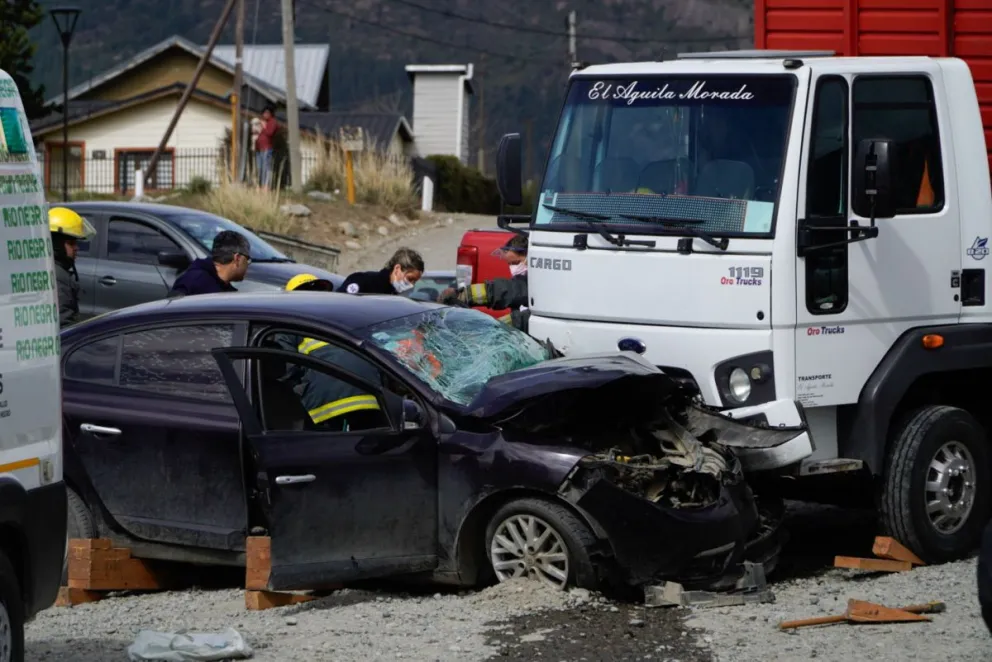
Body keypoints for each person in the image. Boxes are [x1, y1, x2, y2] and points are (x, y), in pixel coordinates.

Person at [280, 273, 385, 430]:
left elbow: (284, 369)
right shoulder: (343, 316)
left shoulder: (289, 323)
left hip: (324, 408)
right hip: (369, 398)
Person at [440, 233, 531, 332]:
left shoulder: (534, 285)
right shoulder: (520, 280)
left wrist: (497, 328)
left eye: (516, 263)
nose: (513, 268)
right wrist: (463, 294)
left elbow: (510, 291)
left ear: (530, 257)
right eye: (510, 264)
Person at [49, 206, 96, 328]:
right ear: (56, 244)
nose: (76, 248)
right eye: (71, 243)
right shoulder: (58, 278)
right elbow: (64, 325)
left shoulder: (54, 270)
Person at [168, 230, 251, 297]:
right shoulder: (192, 282)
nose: (248, 264)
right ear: (237, 258)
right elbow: (171, 313)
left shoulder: (226, 289)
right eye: (247, 259)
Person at [341, 247, 425, 295]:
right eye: (410, 279)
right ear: (397, 269)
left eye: (415, 282)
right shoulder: (362, 281)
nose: (412, 285)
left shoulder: (395, 295)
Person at [255, 105, 279, 189]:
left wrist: (264, 126)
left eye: (267, 113)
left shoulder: (273, 122)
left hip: (266, 148)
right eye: (264, 113)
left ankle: (266, 186)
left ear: (271, 114)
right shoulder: (261, 122)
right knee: (259, 167)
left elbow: (269, 133)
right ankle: (259, 185)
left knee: (266, 167)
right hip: (258, 148)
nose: (265, 114)